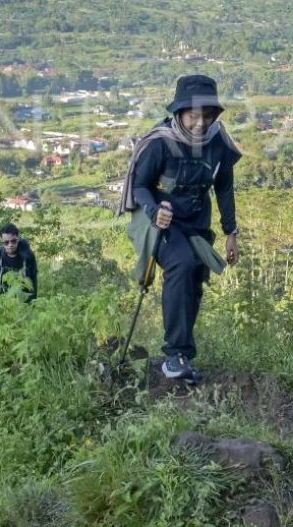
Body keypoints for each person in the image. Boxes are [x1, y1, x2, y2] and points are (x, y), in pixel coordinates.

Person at [118, 74, 241, 382]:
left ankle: (183, 354)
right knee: (181, 263)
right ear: (180, 113)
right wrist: (154, 209)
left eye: (206, 115)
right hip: (158, 220)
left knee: (195, 274)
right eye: (193, 115)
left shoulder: (218, 142)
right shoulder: (161, 142)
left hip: (195, 220)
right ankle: (175, 354)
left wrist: (231, 232)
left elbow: (224, 187)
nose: (200, 122)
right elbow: (140, 184)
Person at [0, 223, 38, 300]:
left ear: (18, 239)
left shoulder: (27, 257)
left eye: (13, 241)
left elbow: (33, 283)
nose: (10, 245)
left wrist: (33, 304)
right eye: (6, 242)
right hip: (1, 304)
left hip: (22, 305)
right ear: (2, 242)